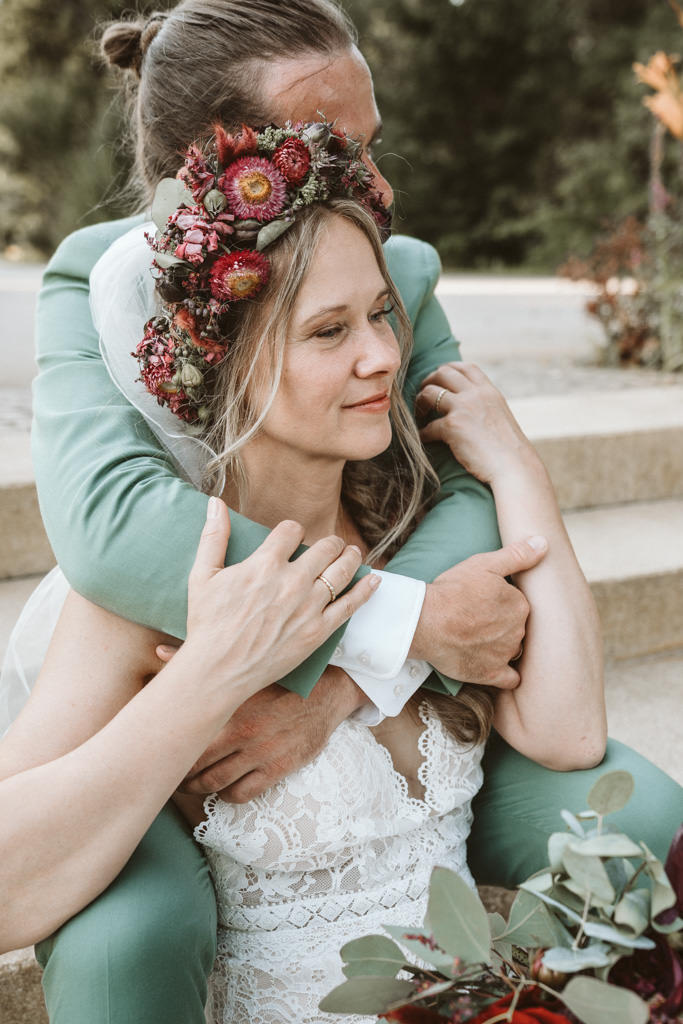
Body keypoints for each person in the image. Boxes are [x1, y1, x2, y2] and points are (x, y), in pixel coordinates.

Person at [20, 1, 682, 1021]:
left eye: (369, 144)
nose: (372, 182)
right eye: (333, 145)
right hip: (173, 624)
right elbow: (114, 527)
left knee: (642, 819)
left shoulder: (390, 261)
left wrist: (355, 676)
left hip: (365, 600)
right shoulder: (109, 282)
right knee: (128, 927)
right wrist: (379, 628)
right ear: (228, 161)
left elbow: (459, 488)